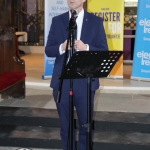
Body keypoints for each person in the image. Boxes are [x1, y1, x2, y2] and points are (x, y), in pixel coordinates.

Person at [45, 0, 108, 149]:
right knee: (65, 127)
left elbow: (103, 51)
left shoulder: (95, 21)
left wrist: (86, 47)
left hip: (85, 81)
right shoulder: (57, 20)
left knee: (85, 126)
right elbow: (48, 50)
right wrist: (62, 46)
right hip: (62, 81)